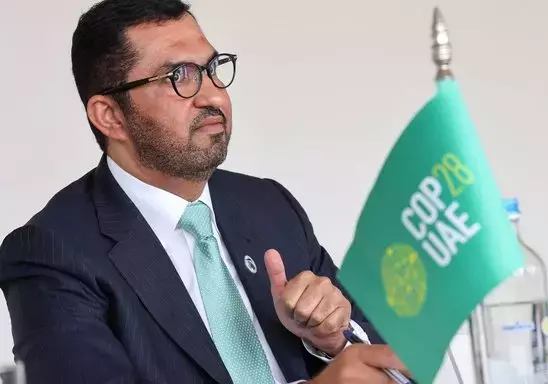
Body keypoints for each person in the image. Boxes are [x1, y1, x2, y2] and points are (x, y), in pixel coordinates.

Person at [0, 0, 409, 383]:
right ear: (110, 116)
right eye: (180, 77)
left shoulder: (269, 205)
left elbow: (387, 359)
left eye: (213, 68)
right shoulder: (50, 254)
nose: (214, 95)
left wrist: (330, 341)